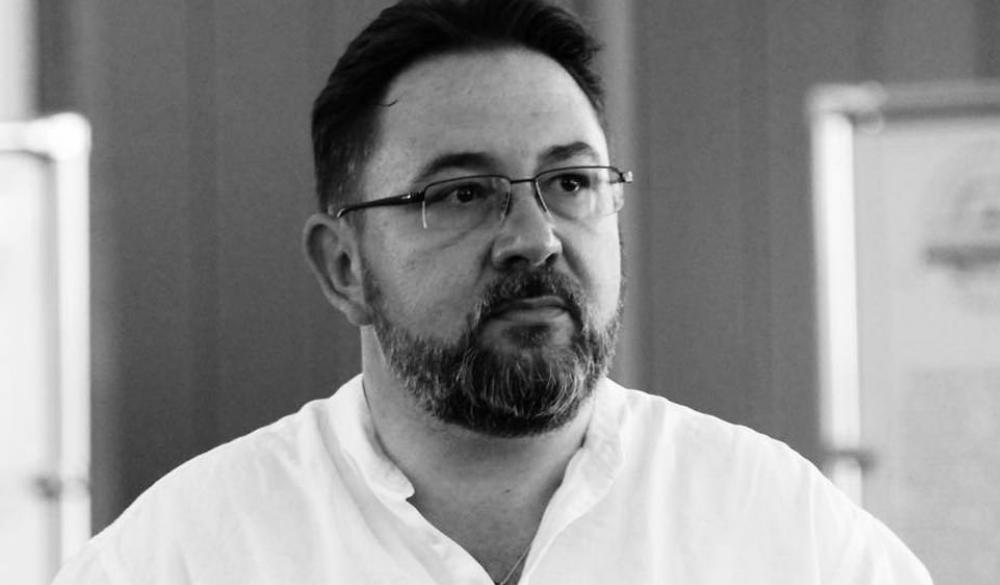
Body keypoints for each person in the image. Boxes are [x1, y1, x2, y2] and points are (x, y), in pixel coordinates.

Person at [53, 0, 933, 583]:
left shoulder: (780, 533)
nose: (534, 237)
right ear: (344, 267)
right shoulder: (185, 555)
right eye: (461, 193)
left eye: (572, 182)